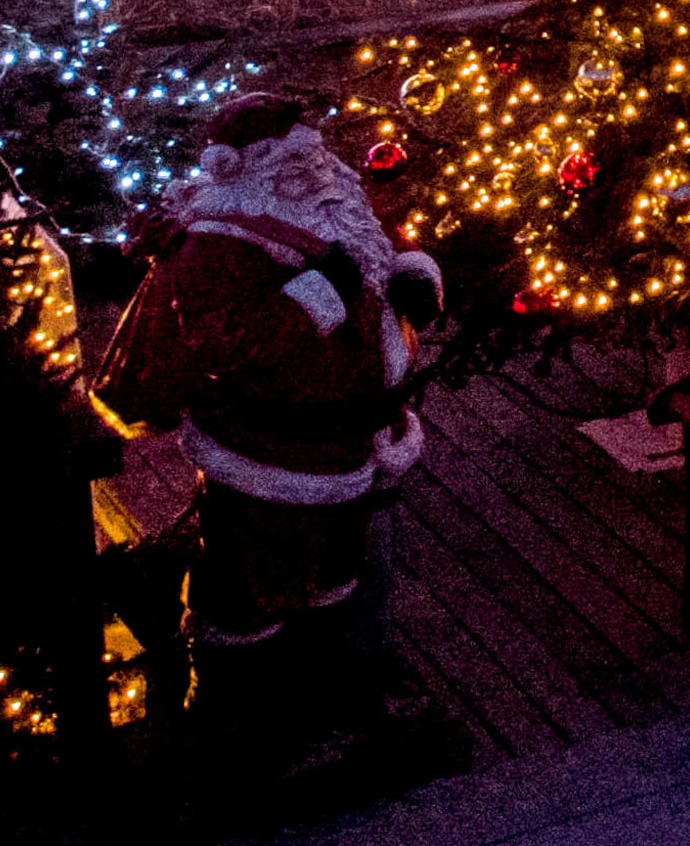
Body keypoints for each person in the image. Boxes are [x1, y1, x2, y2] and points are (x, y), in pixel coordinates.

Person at [98, 93, 443, 745]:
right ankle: (239, 725)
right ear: (244, 166)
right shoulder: (215, 242)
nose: (311, 163)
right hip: (267, 457)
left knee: (334, 578)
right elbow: (224, 344)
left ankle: (318, 700)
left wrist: (411, 275)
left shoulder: (324, 197)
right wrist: (321, 296)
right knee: (248, 595)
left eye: (309, 149)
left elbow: (376, 247)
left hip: (348, 446)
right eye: (291, 156)